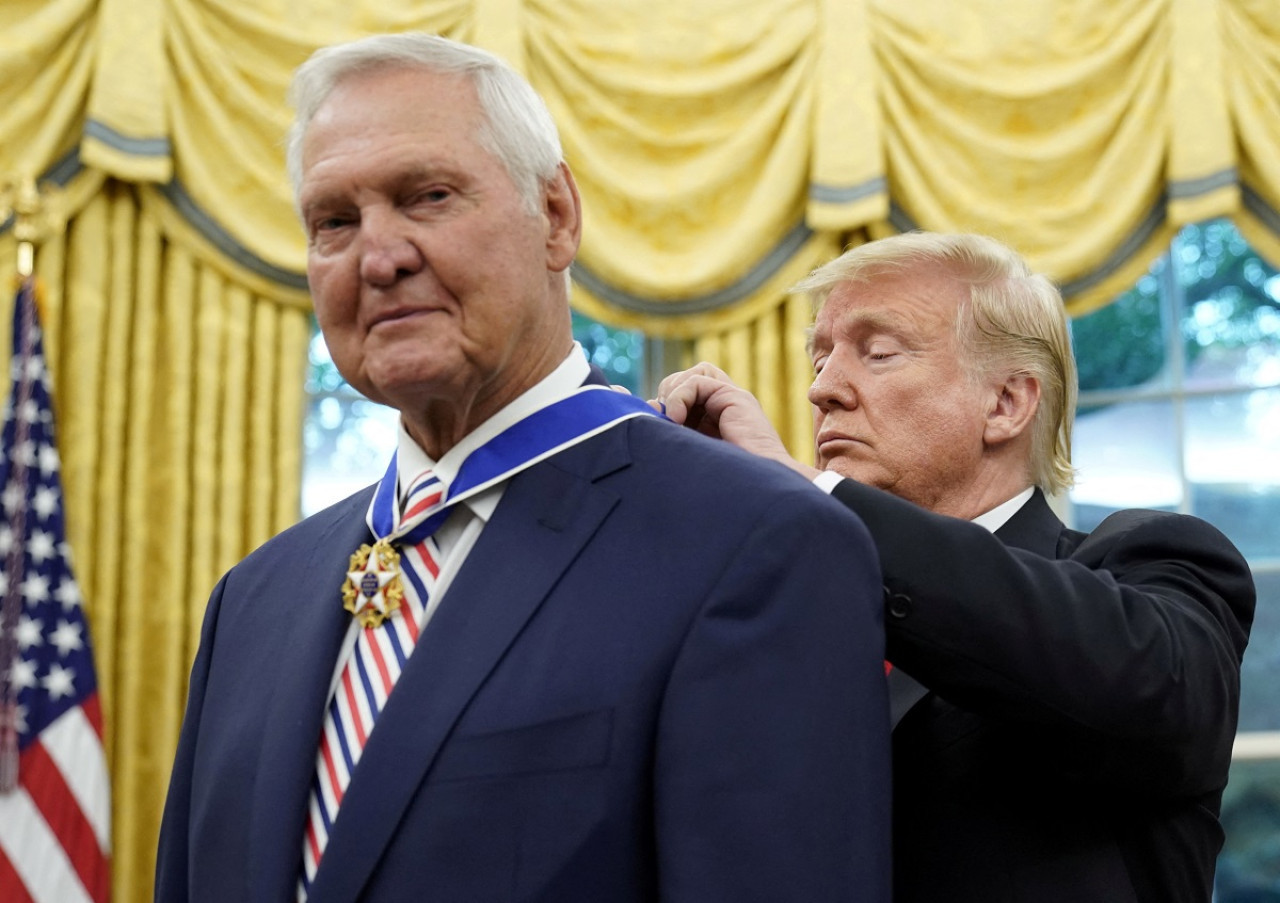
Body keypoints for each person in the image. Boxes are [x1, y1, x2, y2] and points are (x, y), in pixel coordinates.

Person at [153, 32, 892, 903]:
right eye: (335, 222)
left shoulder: (757, 544)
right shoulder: (253, 597)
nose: (378, 257)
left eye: (426, 196)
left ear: (557, 216)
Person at [656, 231, 1256, 903]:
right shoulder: (781, 619)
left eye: (878, 352)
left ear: (1005, 403)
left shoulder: (1155, 562)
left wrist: (807, 495)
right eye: (818, 358)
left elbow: (1140, 681)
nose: (821, 390)